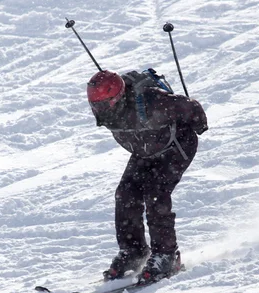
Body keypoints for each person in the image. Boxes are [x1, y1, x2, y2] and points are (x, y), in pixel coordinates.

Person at [87, 70, 208, 282]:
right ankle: (134, 252)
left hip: (176, 146)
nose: (99, 111)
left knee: (156, 193)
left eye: (103, 105)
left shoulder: (152, 102)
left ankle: (166, 255)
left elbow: (191, 107)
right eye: (95, 105)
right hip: (146, 150)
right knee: (125, 194)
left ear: (117, 98)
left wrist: (199, 125)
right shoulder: (113, 113)